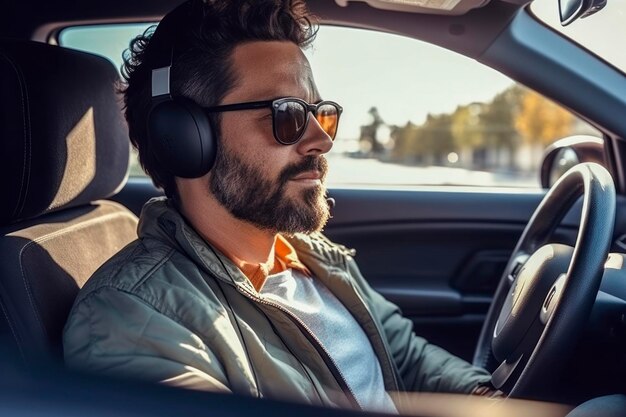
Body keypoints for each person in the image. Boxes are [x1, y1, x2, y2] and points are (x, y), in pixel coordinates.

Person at [63, 0, 496, 412]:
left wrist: (485, 399)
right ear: (183, 139)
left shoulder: (313, 258)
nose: (321, 140)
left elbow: (404, 355)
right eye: (286, 114)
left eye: (320, 113)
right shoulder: (130, 318)